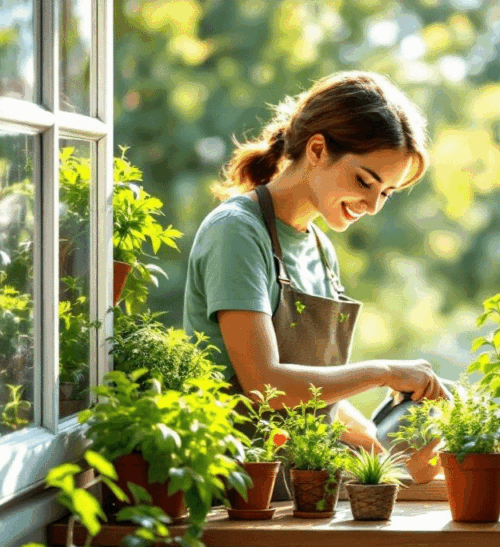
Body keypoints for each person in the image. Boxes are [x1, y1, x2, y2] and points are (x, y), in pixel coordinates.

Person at [183, 72, 449, 499]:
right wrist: (383, 373)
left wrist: (383, 457)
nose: (374, 206)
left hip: (305, 491)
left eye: (389, 193)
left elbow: (315, 395)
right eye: (365, 181)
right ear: (318, 149)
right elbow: (263, 383)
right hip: (237, 497)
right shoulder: (237, 232)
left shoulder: (320, 248)